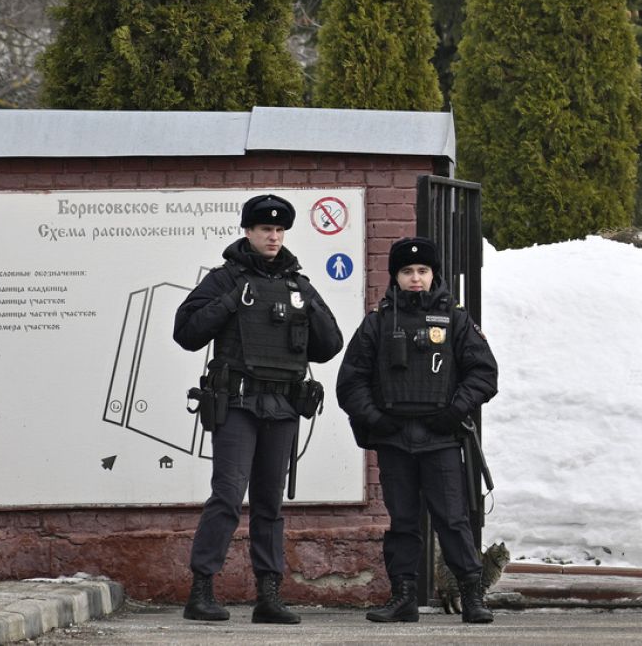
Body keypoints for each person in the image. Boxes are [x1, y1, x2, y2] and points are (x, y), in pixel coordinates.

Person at [173, 193, 343, 624]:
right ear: (247, 232)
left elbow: (330, 346)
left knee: (269, 504)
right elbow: (187, 331)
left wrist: (308, 304)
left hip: (283, 404)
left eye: (279, 230)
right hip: (237, 402)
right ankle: (202, 591)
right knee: (228, 496)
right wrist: (233, 300)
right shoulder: (225, 278)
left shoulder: (298, 284)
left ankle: (268, 595)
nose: (273, 236)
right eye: (265, 229)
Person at [336, 236, 499, 624]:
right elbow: (350, 382)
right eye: (407, 271)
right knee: (403, 523)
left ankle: (472, 597)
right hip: (395, 440)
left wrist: (454, 410)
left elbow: (484, 374)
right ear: (395, 276)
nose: (415, 278)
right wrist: (376, 419)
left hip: (441, 440)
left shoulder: (455, 319)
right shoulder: (377, 322)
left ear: (433, 274)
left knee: (453, 520)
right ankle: (404, 597)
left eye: (422, 271)